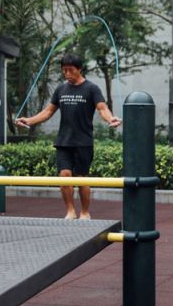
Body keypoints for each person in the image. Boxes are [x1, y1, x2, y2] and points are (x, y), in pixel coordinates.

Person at [15, 52, 121, 220]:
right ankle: (70, 211)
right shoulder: (61, 89)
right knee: (64, 176)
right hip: (63, 141)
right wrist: (29, 121)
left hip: (83, 142)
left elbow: (102, 108)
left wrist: (111, 119)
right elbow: (48, 112)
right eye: (64, 70)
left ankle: (85, 212)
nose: (67, 74)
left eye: (71, 70)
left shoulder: (91, 88)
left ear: (79, 69)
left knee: (81, 180)